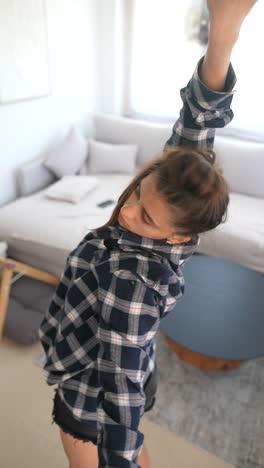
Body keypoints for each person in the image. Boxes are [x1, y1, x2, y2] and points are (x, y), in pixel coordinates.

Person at [38, 1, 257, 467]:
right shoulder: (180, 197)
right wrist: (224, 35)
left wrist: (120, 456)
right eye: (138, 193)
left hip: (88, 394)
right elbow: (198, 120)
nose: (128, 212)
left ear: (178, 238)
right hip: (125, 372)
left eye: (146, 219)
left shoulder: (130, 282)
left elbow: (121, 393)